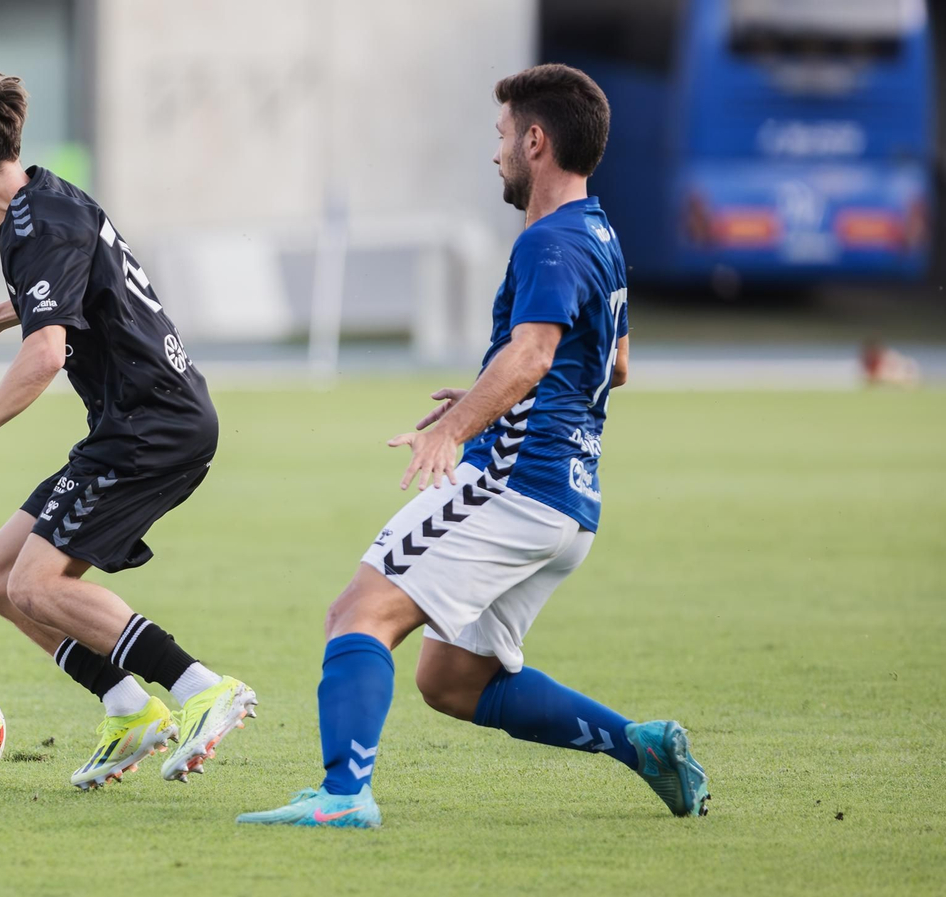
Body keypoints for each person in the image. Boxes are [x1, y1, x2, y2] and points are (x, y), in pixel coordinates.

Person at [237, 64, 708, 828]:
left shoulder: (549, 241)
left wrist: (454, 430)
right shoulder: (601, 233)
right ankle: (640, 745)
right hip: (571, 505)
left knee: (359, 612)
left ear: (535, 140)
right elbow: (612, 365)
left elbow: (533, 356)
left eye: (500, 138)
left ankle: (343, 796)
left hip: (514, 485)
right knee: (453, 678)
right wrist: (496, 395)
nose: (495, 155)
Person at [0, 69, 256, 790]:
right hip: (138, 420)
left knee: (37, 583)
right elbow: (65, 288)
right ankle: (130, 708)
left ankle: (200, 689)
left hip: (152, 423)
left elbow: (46, 352)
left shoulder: (39, 221)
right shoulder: (41, 201)